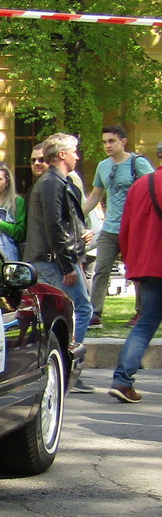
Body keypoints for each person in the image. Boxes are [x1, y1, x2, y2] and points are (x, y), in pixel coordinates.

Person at [22, 133, 93, 352]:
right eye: (74, 152)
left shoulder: (55, 182)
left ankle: (58, 357)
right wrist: (67, 265)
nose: (77, 157)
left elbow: (62, 223)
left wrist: (80, 236)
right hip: (52, 260)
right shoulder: (52, 183)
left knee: (56, 312)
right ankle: (70, 359)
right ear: (62, 155)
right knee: (82, 309)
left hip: (50, 259)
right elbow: (54, 227)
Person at [82, 125, 154, 328]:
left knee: (137, 272)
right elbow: (96, 194)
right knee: (101, 270)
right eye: (104, 142)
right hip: (110, 228)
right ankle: (94, 314)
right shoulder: (102, 166)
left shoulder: (137, 163)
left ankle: (141, 313)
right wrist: (78, 216)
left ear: (123, 142)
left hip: (135, 228)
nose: (107, 145)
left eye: (111, 141)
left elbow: (154, 187)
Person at [107, 170, 162, 403]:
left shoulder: (140, 184)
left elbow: (125, 229)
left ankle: (122, 381)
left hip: (147, 265)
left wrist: (132, 264)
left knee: (145, 324)